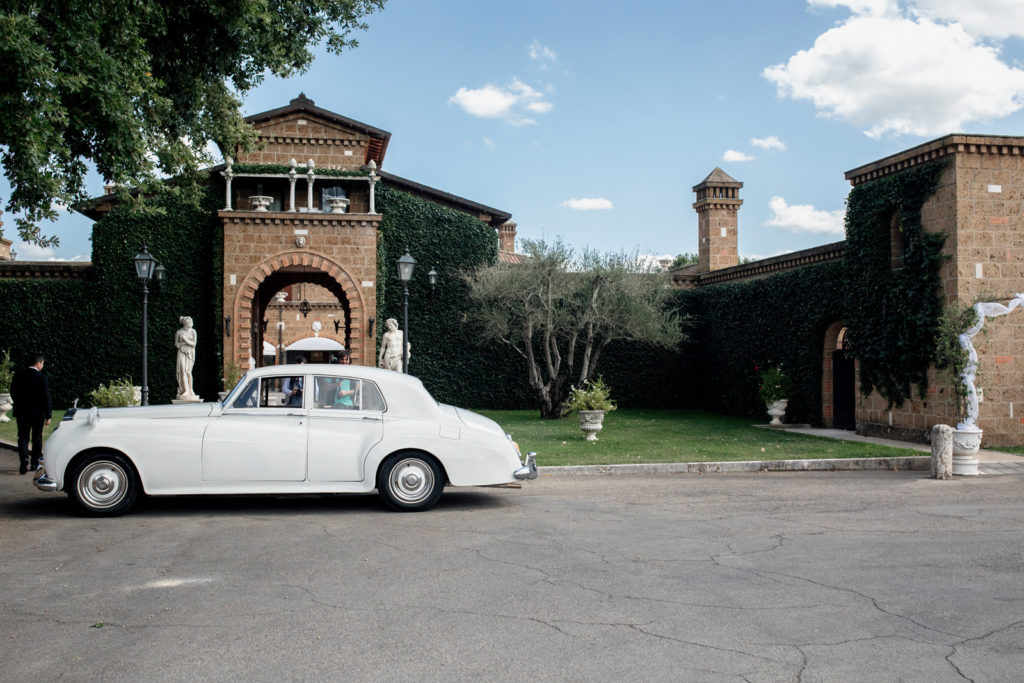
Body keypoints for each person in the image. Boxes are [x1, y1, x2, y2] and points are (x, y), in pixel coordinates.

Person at [10, 354, 51, 474]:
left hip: (22, 412)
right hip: (38, 413)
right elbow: (46, 397)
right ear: (38, 363)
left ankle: (23, 460)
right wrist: (48, 415)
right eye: (42, 363)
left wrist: (18, 403)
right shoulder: (42, 378)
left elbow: (13, 392)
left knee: (22, 437)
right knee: (37, 438)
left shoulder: (19, 376)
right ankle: (34, 463)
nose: (43, 366)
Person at [174, 316, 198, 400]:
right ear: (185, 324)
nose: (191, 324)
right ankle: (186, 390)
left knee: (188, 371)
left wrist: (185, 340)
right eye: (189, 322)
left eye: (191, 322)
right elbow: (176, 344)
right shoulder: (179, 332)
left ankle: (191, 389)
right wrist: (184, 344)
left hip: (190, 352)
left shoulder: (193, 331)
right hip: (181, 352)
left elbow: (194, 344)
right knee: (182, 371)